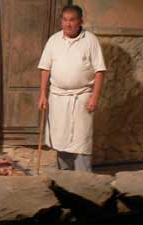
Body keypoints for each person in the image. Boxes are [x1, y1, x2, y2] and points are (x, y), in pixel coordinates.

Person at [37, 4, 106, 171]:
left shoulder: (90, 40)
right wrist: (42, 95)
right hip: (58, 97)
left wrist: (94, 97)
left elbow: (99, 71)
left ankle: (83, 180)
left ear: (80, 21)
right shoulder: (53, 40)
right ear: (61, 21)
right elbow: (45, 68)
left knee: (81, 140)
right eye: (65, 20)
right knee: (61, 139)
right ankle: (64, 179)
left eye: (72, 20)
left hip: (82, 97)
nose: (68, 24)